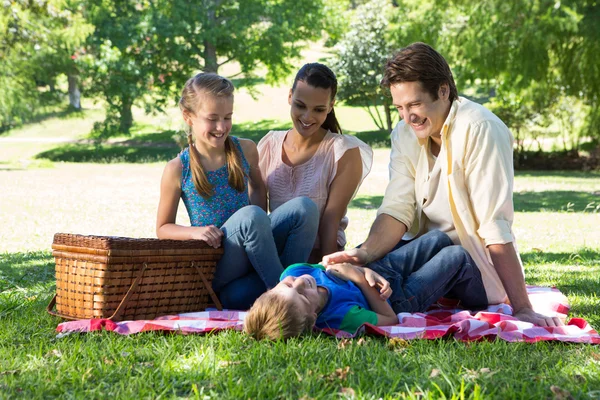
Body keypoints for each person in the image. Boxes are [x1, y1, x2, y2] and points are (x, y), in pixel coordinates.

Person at [323, 42, 563, 327]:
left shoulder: (480, 129)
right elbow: (397, 208)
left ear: (443, 90)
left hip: (470, 263)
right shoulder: (404, 132)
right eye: (400, 107)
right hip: (425, 249)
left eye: (414, 104)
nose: (407, 117)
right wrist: (364, 253)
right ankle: (324, 298)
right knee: (368, 266)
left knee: (449, 254)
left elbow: (494, 225)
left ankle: (374, 305)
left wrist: (522, 307)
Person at [156, 72, 319, 310]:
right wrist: (196, 232)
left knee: (305, 208)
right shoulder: (178, 169)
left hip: (254, 260)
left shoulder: (246, 149)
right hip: (222, 267)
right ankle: (285, 299)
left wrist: (261, 231)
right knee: (250, 216)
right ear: (188, 116)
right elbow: (162, 228)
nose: (221, 127)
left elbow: (258, 189)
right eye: (212, 119)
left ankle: (290, 279)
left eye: (227, 117)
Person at [244, 230, 487, 340]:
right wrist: (360, 279)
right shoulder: (340, 316)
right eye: (303, 296)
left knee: (438, 238)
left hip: (381, 269)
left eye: (287, 285)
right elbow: (390, 320)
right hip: (398, 298)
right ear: (313, 317)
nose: (300, 283)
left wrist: (357, 268)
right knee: (457, 256)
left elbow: (330, 268)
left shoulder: (294, 271)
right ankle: (482, 302)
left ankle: (448, 288)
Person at [258, 63, 373, 263]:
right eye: (300, 105)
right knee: (235, 295)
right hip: (272, 256)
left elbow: (331, 219)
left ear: (331, 106)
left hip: (315, 257)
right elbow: (257, 214)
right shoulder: (269, 144)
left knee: (304, 208)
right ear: (289, 97)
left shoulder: (343, 151)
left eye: (318, 109)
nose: (307, 117)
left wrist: (326, 272)